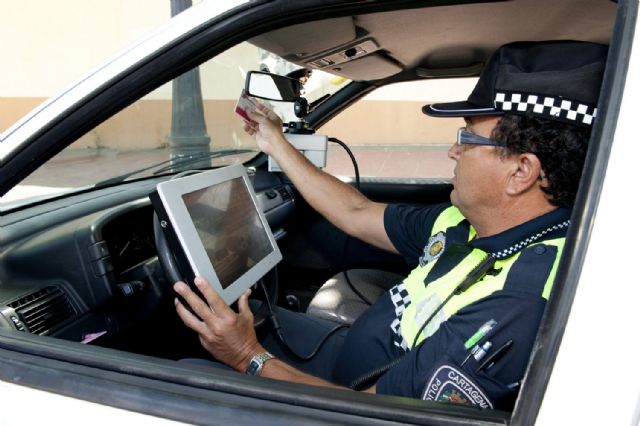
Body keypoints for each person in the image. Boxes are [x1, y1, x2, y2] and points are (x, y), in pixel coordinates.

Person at [172, 40, 607, 410]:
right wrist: (274, 142)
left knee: (180, 379)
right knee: (239, 320)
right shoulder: (463, 221)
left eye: (467, 138)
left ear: (521, 172)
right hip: (349, 354)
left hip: (349, 402)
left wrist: (248, 356)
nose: (454, 153)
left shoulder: (518, 305)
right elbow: (357, 213)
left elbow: (372, 415)